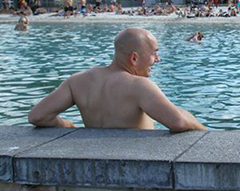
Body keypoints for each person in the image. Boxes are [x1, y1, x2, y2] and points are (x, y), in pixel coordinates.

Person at [28, 28, 207, 131]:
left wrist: (70, 127)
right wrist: (204, 132)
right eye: (155, 53)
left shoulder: (77, 81)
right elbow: (178, 122)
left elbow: (37, 116)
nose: (158, 59)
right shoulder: (139, 86)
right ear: (134, 58)